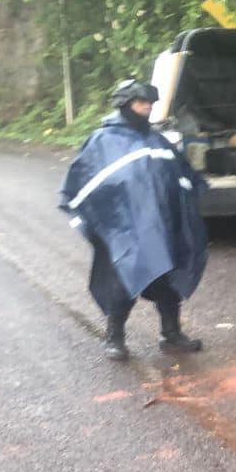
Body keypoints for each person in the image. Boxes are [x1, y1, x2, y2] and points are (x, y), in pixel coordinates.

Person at [60, 78, 209, 361]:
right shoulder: (104, 140)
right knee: (123, 279)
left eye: (150, 104)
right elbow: (88, 183)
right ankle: (114, 337)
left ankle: (172, 335)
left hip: (161, 226)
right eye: (142, 103)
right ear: (125, 104)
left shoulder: (155, 138)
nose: (147, 109)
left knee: (168, 277)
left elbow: (179, 175)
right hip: (125, 228)